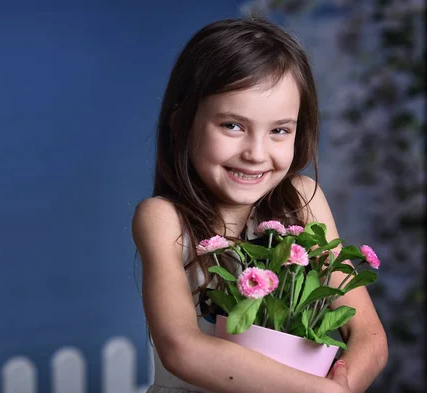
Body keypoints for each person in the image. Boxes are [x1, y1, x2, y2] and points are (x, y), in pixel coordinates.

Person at [131, 17, 388, 393]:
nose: (256, 153)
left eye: (279, 130)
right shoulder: (163, 219)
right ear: (182, 122)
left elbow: (368, 334)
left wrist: (342, 386)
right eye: (232, 125)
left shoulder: (303, 199)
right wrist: (313, 390)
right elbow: (181, 349)